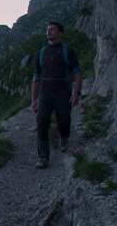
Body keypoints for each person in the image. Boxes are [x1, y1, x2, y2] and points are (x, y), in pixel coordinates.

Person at [31, 21, 82, 169]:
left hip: (62, 93)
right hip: (45, 94)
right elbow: (35, 77)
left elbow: (77, 73)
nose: (49, 32)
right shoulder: (41, 53)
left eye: (52, 29)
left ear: (60, 32)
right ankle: (43, 157)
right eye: (47, 29)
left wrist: (76, 93)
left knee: (64, 120)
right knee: (41, 123)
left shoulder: (67, 51)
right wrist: (33, 100)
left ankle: (64, 137)